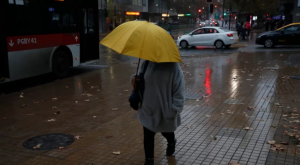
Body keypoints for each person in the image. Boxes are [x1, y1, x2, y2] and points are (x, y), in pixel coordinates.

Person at [131, 61, 185, 165]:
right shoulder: (146, 63)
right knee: (148, 135)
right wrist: (134, 79)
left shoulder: (173, 66)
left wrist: (174, 108)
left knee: (166, 131)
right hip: (148, 108)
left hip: (165, 109)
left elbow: (179, 89)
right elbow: (140, 77)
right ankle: (149, 160)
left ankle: (171, 141)